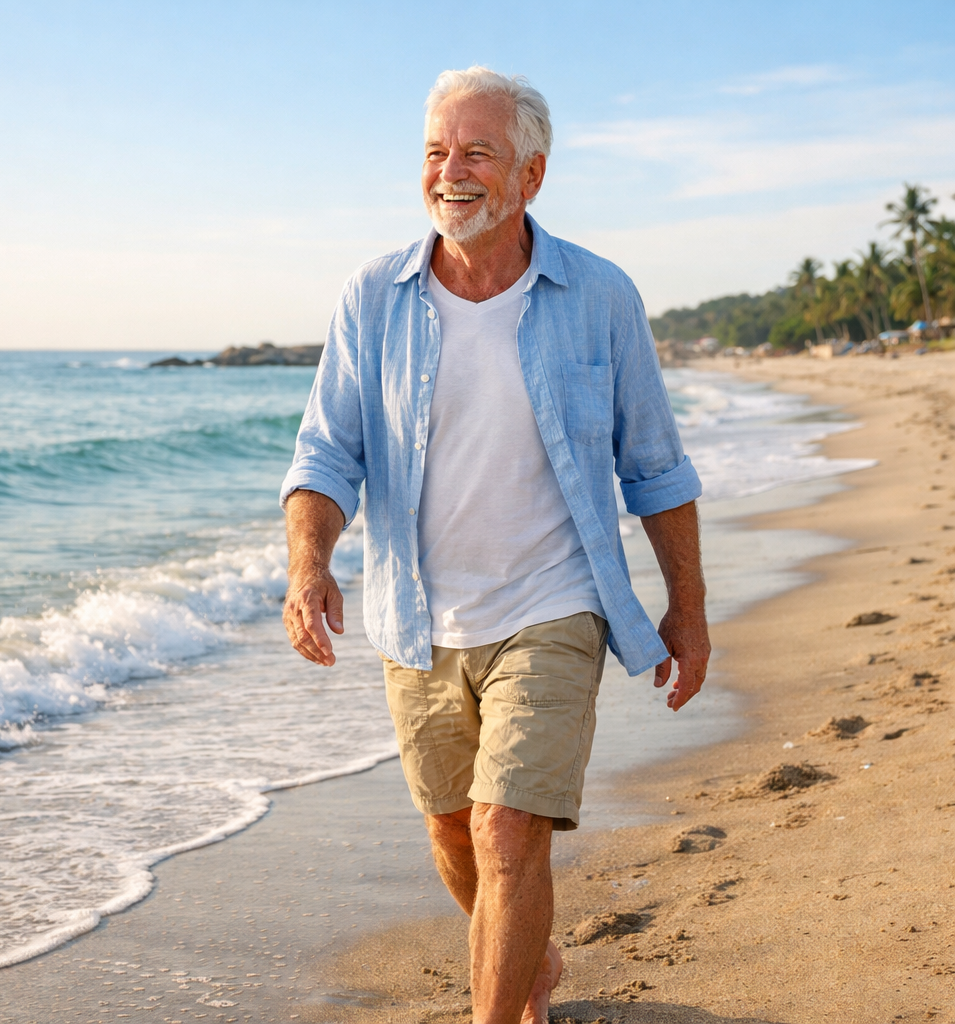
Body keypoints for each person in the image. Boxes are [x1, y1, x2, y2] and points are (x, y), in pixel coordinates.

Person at [280, 66, 710, 1024]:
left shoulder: (599, 295)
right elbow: (325, 453)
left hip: (555, 604)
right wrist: (309, 567)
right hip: (419, 615)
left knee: (508, 828)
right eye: (437, 151)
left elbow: (655, 467)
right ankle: (531, 962)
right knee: (455, 837)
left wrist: (690, 606)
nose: (452, 172)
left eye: (477, 151)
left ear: (532, 174)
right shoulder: (373, 297)